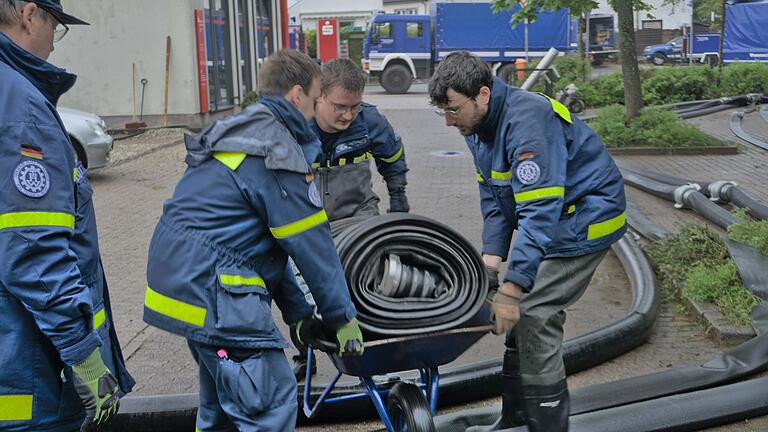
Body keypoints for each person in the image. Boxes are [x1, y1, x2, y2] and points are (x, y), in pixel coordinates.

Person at [143, 49, 364, 432]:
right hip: (215, 288)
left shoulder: (244, 131)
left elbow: (264, 250)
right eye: (314, 101)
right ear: (297, 95)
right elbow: (312, 248)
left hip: (183, 281)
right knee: (268, 404)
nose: (314, 113)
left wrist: (297, 319)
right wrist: (341, 318)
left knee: (223, 409)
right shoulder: (277, 150)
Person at [429, 52, 626, 432]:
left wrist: (513, 290)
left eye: (453, 110)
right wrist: (489, 268)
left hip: (587, 218)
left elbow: (538, 214)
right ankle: (515, 419)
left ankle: (548, 426)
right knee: (517, 310)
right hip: (555, 217)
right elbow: (495, 200)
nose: (450, 122)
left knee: (533, 312)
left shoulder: (528, 122)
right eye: (443, 112)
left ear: (483, 94)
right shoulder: (478, 128)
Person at [0, 1, 133, 431]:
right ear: (29, 14)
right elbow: (34, 250)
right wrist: (82, 354)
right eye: (55, 27)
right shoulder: (19, 105)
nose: (54, 45)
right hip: (26, 371)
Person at [289, 58, 410, 378]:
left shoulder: (370, 122)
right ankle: (307, 352)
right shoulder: (295, 126)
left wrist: (399, 204)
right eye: (341, 107)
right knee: (305, 295)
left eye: (354, 107)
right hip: (311, 225)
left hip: (360, 216)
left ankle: (374, 353)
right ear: (319, 97)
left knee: (368, 283)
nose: (348, 115)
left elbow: (394, 158)